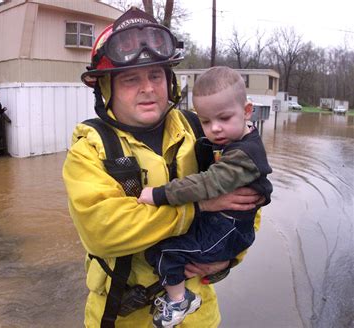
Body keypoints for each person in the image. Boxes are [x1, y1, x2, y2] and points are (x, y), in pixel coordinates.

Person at [62, 7, 263, 328]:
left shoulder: (203, 132)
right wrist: (198, 205)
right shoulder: (89, 150)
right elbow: (104, 231)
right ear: (105, 88)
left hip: (199, 314)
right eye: (130, 79)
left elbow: (249, 203)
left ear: (169, 81)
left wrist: (227, 259)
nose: (148, 87)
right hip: (123, 315)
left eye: (156, 75)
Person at [138, 66, 273, 327]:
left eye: (223, 118)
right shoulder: (231, 141)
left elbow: (207, 183)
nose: (215, 129)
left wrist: (159, 194)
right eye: (206, 122)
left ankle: (179, 301)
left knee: (165, 251)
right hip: (221, 227)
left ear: (247, 111)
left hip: (227, 231)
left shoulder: (243, 155)